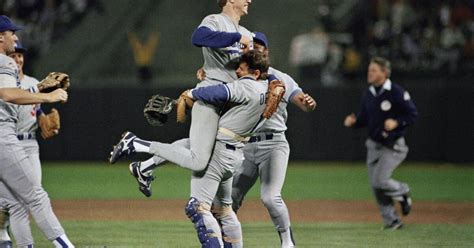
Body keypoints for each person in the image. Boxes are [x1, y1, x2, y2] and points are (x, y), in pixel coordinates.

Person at [110, 50, 271, 247]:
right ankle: (144, 164)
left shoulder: (247, 86)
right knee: (224, 211)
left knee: (198, 208)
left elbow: (218, 92)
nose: (237, 71)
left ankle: (136, 144)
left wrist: (190, 93)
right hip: (235, 154)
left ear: (255, 73)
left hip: (218, 154)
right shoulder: (266, 85)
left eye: (242, 69)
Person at [117, 0, 254, 197]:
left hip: (230, 101)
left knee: (199, 145)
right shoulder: (215, 20)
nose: (249, 0)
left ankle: (144, 166)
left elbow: (254, 63)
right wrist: (235, 38)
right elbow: (199, 37)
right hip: (210, 96)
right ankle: (136, 144)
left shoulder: (247, 33)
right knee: (199, 161)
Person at [230, 32, 316, 248]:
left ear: (266, 51)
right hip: (246, 145)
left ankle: (288, 242)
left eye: (260, 46)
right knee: (229, 198)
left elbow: (301, 101)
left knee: (270, 197)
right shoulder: (238, 75)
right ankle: (227, 241)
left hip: (273, 144)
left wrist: (307, 102)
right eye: (252, 45)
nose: (255, 49)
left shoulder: (281, 78)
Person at [0, 15, 74, 247]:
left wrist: (37, 87)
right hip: (3, 137)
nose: (16, 37)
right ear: (0, 36)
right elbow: (8, 94)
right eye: (12, 33)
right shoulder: (5, 62)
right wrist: (48, 95)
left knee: (15, 203)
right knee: (36, 196)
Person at [343, 57, 418, 230]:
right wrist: (354, 121)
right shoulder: (369, 93)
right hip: (374, 145)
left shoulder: (396, 92)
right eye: (369, 70)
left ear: (385, 73)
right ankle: (392, 221)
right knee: (376, 186)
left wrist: (397, 123)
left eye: (374, 70)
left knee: (380, 181)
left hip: (393, 146)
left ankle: (403, 191)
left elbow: (412, 115)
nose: (370, 73)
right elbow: (363, 119)